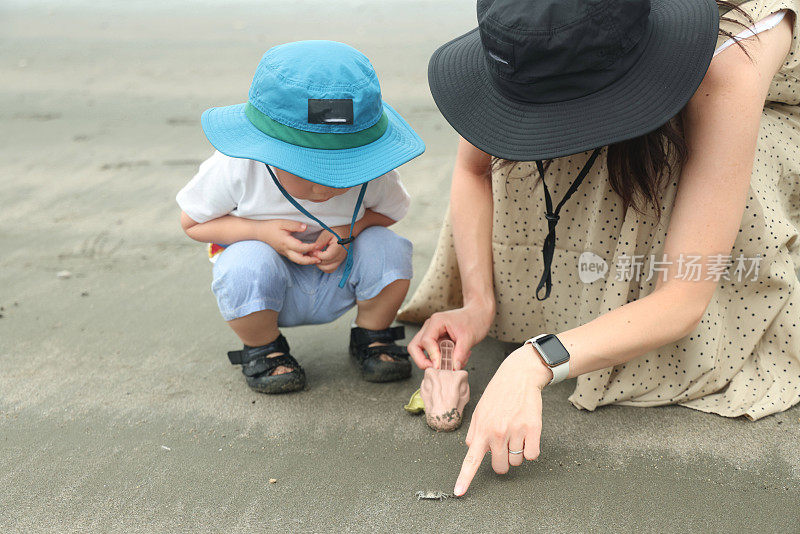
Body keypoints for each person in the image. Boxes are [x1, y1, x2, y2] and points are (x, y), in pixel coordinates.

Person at [399, 0, 800, 496]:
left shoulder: (734, 58)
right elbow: (473, 168)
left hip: (756, 97)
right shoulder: (531, 26)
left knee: (689, 162)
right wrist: (479, 301)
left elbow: (685, 294)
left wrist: (536, 360)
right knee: (532, 155)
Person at [177, 41, 424, 394]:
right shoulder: (237, 164)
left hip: (340, 275)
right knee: (244, 262)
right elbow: (192, 222)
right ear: (264, 148)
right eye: (309, 171)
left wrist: (349, 230)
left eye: (342, 171)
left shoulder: (372, 169)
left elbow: (392, 211)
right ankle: (264, 347)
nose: (326, 189)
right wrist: (260, 232)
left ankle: (373, 336)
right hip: (269, 286)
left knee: (390, 247)